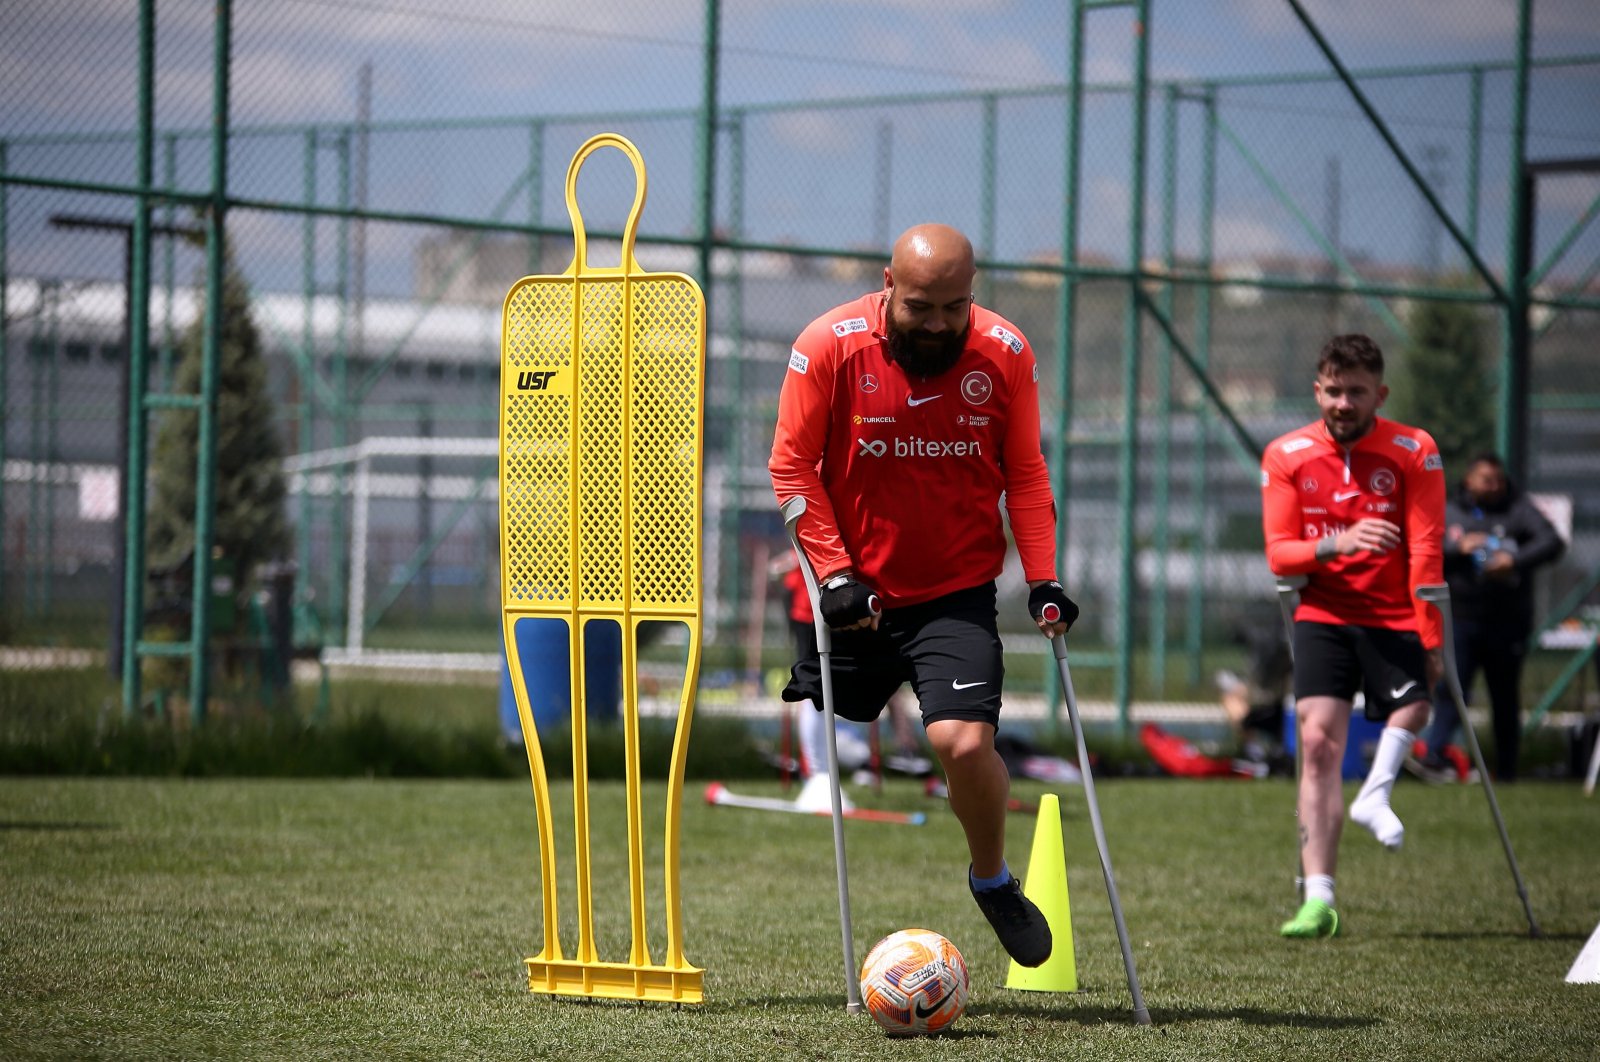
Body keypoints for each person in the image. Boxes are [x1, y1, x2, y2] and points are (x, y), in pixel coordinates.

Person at [768, 223, 1075, 968]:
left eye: (954, 307)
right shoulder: (828, 345)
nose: (938, 324)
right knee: (830, 724)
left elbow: (1027, 474)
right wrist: (835, 573)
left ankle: (992, 878)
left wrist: (1043, 578)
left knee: (962, 742)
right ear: (887, 285)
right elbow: (791, 466)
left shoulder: (1005, 353)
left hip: (955, 592)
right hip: (857, 593)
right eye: (920, 308)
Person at [1260, 333, 1446, 940]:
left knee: (1415, 706)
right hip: (1324, 615)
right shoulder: (1286, 454)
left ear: (1379, 393)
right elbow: (1281, 558)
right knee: (1316, 746)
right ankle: (1319, 899)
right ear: (1318, 389)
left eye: (1356, 392)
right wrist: (1338, 541)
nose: (1343, 403)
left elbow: (1425, 547)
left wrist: (1432, 635)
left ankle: (1376, 794)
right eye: (1333, 391)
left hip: (1393, 613)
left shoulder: (1413, 450)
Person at [1411, 452, 1564, 783]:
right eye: (1486, 480)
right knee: (1451, 688)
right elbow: (1425, 546)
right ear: (1470, 480)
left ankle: (1507, 769)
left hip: (1507, 622)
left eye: (1498, 480)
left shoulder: (1518, 509)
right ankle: (1433, 757)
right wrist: (1459, 547)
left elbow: (1551, 542)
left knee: (1504, 696)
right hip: (1461, 619)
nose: (1494, 486)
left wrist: (1514, 560)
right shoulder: (1451, 511)